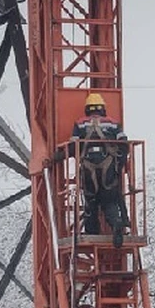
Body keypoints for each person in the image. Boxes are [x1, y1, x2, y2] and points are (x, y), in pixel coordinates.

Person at [58, 93, 130, 247]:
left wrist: (56, 157)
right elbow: (124, 143)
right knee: (109, 200)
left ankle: (92, 232)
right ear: (103, 108)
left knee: (91, 201)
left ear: (87, 109)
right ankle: (116, 223)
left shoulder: (80, 124)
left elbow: (72, 147)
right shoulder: (112, 123)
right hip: (108, 167)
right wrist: (120, 164)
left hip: (88, 168)